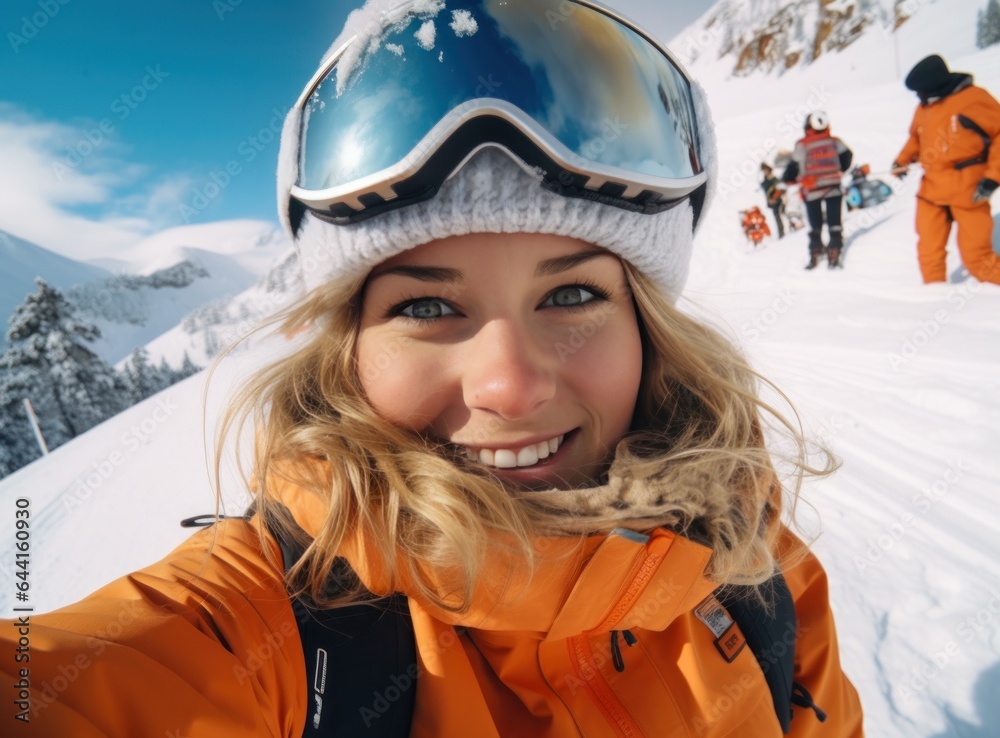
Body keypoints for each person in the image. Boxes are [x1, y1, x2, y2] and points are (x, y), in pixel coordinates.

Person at [1, 1, 864, 735]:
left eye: (571, 297)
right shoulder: (283, 627)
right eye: (423, 307)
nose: (511, 385)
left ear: (646, 324)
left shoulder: (752, 567)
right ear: (348, 351)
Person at [892, 54, 1000, 285]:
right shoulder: (925, 107)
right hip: (931, 190)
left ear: (934, 84)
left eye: (920, 91)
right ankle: (934, 300)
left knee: (978, 258)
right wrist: (901, 161)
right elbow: (916, 138)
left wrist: (993, 177)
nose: (917, 97)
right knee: (929, 253)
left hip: (969, 189)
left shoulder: (975, 99)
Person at [782, 112, 854, 269]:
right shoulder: (834, 141)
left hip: (812, 189)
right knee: (835, 222)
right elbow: (848, 157)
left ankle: (816, 251)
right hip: (833, 187)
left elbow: (793, 166)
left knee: (815, 224)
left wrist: (788, 179)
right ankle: (834, 252)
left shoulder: (803, 145)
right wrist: (839, 170)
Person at [760, 162, 787, 238]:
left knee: (784, 214)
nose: (766, 172)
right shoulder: (764, 182)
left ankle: (789, 229)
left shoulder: (775, 179)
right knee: (777, 217)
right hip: (772, 202)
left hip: (779, 201)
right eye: (764, 171)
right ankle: (781, 233)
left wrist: (779, 193)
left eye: (766, 170)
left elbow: (782, 188)